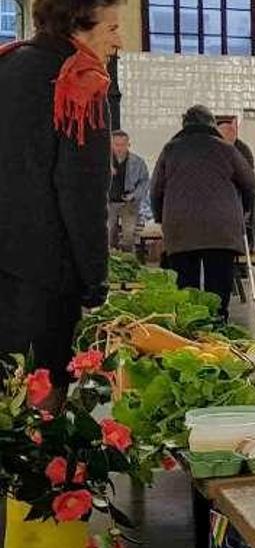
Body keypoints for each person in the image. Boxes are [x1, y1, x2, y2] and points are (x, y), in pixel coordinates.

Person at [0, 0, 123, 389]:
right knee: (37, 406)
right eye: (112, 28)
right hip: (42, 277)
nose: (119, 41)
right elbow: (81, 193)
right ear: (78, 26)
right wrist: (94, 281)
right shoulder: (79, 81)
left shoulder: (6, 63)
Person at [151, 105, 255, 319]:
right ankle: (217, 327)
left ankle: (191, 332)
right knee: (218, 290)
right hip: (221, 228)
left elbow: (155, 189)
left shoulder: (171, 149)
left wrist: (161, 218)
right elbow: (250, 183)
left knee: (186, 291)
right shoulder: (227, 149)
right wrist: (243, 211)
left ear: (184, 124)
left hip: (180, 227)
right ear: (211, 124)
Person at [108, 130, 151, 253]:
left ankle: (128, 259)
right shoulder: (103, 162)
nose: (119, 148)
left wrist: (134, 195)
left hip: (129, 202)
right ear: (111, 144)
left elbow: (144, 182)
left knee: (128, 235)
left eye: (123, 145)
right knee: (109, 233)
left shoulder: (138, 162)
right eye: (116, 144)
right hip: (109, 202)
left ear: (128, 145)